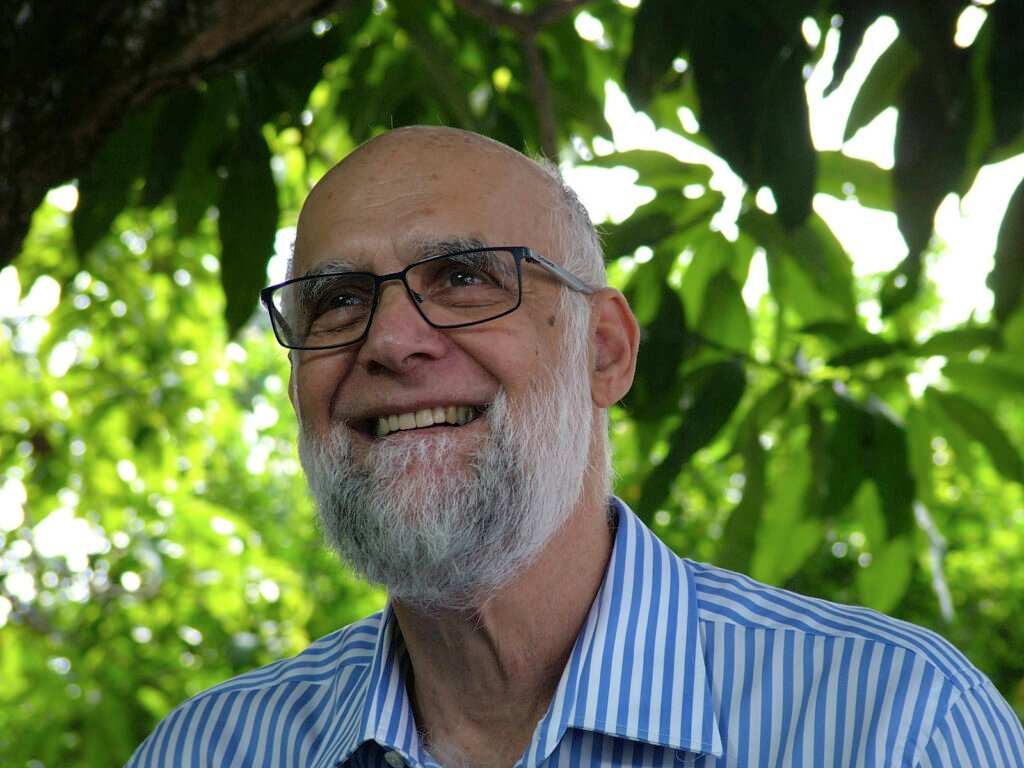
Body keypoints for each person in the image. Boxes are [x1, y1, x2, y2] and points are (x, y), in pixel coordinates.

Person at [127, 126, 1024, 768]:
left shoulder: (895, 724)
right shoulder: (205, 751)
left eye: (465, 277)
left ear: (606, 351)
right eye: (338, 300)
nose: (391, 341)